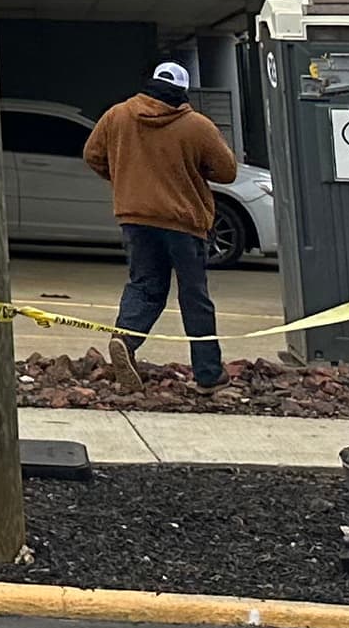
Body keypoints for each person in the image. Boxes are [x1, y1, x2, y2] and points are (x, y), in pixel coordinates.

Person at [82, 59, 238, 390]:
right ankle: (208, 374)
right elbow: (227, 172)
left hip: (135, 218)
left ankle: (125, 339)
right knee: (194, 296)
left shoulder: (118, 115)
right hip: (184, 223)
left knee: (145, 286)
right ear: (183, 92)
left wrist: (125, 178)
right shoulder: (196, 126)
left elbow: (92, 155)